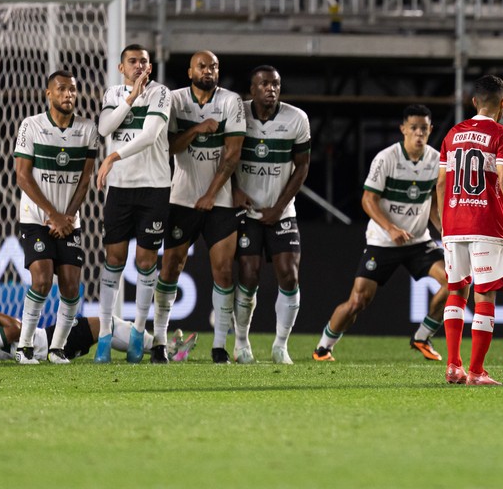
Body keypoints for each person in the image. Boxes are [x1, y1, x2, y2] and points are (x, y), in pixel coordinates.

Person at [313, 104, 450, 363]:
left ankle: (422, 336)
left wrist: (441, 227)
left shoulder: (436, 160)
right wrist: (390, 228)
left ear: (431, 130)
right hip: (383, 241)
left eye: (424, 128)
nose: (419, 133)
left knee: (454, 282)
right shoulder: (386, 158)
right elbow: (368, 200)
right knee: (358, 302)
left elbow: (431, 198)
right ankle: (324, 347)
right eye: (413, 128)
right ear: (403, 130)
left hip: (418, 241)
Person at [436, 76, 503, 386]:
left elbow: (439, 182)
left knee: (456, 291)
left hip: (453, 222)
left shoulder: (452, 134)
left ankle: (453, 366)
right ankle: (476, 372)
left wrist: (443, 223)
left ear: (474, 102)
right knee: (484, 294)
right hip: (484, 224)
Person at [152, 50, 246, 364]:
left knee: (223, 271)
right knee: (170, 268)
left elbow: (232, 155)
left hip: (219, 201)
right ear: (190, 70)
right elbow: (168, 147)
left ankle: (219, 346)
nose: (209, 70)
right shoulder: (175, 100)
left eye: (214, 66)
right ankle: (159, 343)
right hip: (181, 198)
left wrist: (211, 193)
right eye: (202, 66)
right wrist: (195, 129)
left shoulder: (231, 102)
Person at [12, 70, 99, 364]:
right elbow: (23, 176)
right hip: (36, 218)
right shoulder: (31, 125)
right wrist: (53, 215)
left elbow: (85, 180)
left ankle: (57, 348)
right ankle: (24, 347)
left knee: (72, 286)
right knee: (41, 279)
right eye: (61, 89)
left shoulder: (88, 129)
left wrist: (68, 216)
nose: (68, 95)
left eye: (73, 90)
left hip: (69, 221)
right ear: (49, 94)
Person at [93, 44, 172, 364]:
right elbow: (104, 128)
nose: (138, 66)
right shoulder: (112, 94)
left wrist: (113, 155)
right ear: (121, 67)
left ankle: (139, 331)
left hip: (153, 187)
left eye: (143, 61)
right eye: (132, 61)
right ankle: (104, 335)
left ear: (150, 67)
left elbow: (151, 135)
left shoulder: (161, 93)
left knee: (145, 261)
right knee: (113, 259)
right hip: (120, 188)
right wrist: (130, 97)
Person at [231, 66, 311, 365]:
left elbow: (302, 165)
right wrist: (235, 190)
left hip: (282, 212)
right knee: (248, 276)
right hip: (246, 212)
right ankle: (241, 344)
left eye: (275, 84)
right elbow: (225, 156)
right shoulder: (238, 114)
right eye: (263, 84)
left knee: (289, 275)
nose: (270, 89)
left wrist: (279, 207)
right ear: (251, 90)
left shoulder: (296, 118)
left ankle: (280, 346)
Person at [0, 309, 197, 362]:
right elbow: (16, 329)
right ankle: (166, 350)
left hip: (47, 339)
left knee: (107, 326)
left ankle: (163, 348)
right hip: (48, 343)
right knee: (105, 324)